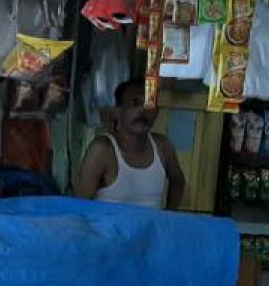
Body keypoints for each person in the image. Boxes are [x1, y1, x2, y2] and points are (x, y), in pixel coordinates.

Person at [75, 78, 186, 209]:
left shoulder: (163, 146)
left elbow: (178, 181)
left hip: (149, 229)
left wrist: (169, 217)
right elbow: (79, 205)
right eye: (134, 103)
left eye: (148, 104)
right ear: (117, 112)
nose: (142, 110)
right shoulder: (103, 149)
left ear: (156, 113)